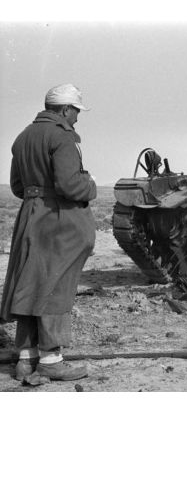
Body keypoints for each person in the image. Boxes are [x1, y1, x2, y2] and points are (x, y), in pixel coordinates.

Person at [0, 84, 97, 380]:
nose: (77, 118)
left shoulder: (24, 137)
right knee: (56, 287)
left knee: (30, 284)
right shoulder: (63, 136)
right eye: (76, 111)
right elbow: (70, 185)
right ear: (65, 109)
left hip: (31, 218)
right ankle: (52, 361)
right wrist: (91, 186)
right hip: (60, 221)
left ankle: (26, 358)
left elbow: (18, 187)